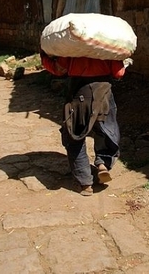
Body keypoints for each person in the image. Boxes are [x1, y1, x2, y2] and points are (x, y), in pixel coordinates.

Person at [40, 51, 126, 196]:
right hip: (104, 93)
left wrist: (44, 58)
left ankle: (85, 182)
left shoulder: (72, 45)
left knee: (75, 135)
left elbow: (59, 69)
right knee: (105, 130)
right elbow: (119, 73)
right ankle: (103, 164)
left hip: (80, 92)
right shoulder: (108, 45)